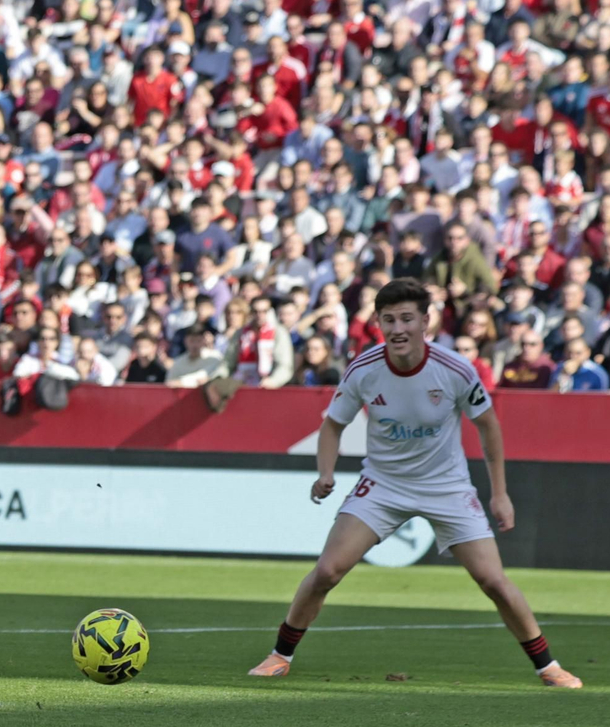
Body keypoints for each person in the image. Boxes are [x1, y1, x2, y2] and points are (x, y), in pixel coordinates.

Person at [247, 278, 581, 688]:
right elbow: (333, 425)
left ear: (426, 321)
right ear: (378, 323)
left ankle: (548, 667)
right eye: (388, 319)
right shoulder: (364, 369)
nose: (398, 328)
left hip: (447, 487)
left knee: (493, 580)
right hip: (383, 484)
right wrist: (326, 473)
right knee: (328, 571)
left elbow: (488, 426)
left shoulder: (456, 368)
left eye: (407, 318)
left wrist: (499, 493)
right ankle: (279, 655)